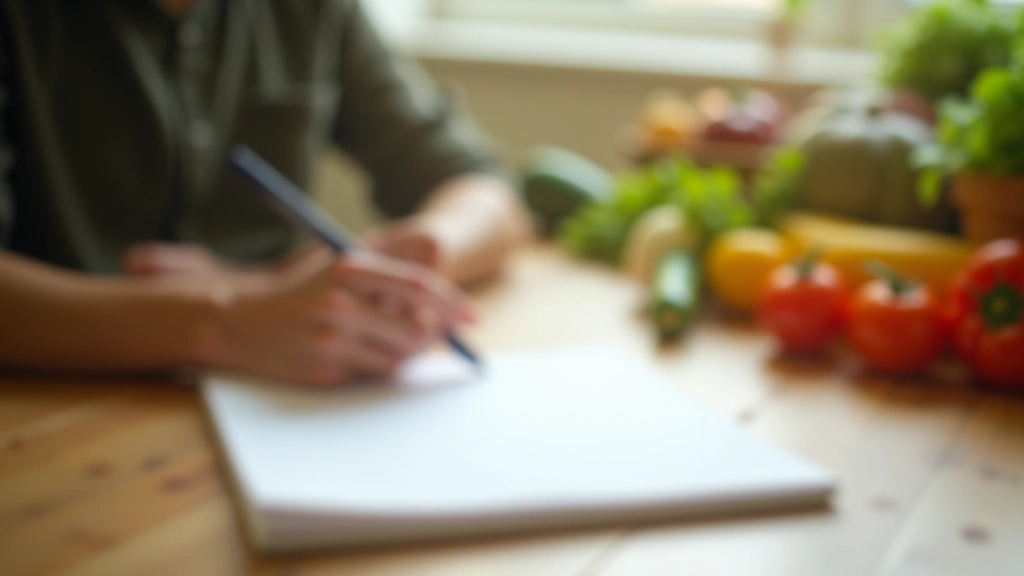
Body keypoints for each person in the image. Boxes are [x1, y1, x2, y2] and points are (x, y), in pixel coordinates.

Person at [0, 0, 532, 386]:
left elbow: (482, 188)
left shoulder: (314, 11)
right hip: (51, 401)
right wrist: (221, 320)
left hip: (283, 386)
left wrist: (417, 254)